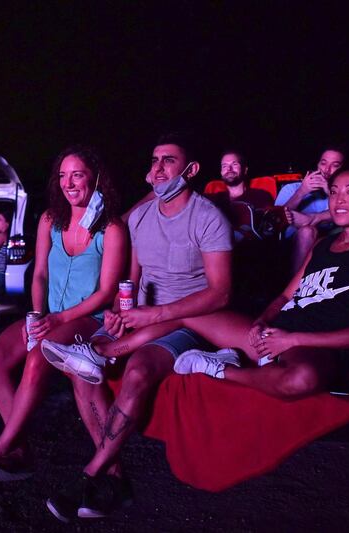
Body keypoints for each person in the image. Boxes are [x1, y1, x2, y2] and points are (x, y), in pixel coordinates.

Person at [63, 168, 349, 403]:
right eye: (335, 191)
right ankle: (101, 353)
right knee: (189, 305)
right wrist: (263, 322)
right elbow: (285, 295)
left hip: (314, 346)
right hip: (274, 334)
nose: (338, 199)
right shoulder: (324, 245)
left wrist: (290, 339)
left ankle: (218, 367)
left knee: (302, 380)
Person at [40, 132, 233, 522]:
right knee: (80, 372)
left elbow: (220, 294)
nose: (157, 167)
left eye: (169, 161)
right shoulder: (142, 218)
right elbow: (129, 285)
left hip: (186, 320)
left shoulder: (209, 217)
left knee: (140, 368)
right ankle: (114, 475)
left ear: (191, 170)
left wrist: (154, 316)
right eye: (154, 159)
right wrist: (116, 312)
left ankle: (91, 475)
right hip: (140, 317)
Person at [0, 145, 127, 490]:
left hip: (86, 318)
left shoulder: (112, 229)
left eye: (77, 174)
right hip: (49, 316)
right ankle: (19, 449)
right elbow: (40, 275)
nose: (68, 182)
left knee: (37, 358)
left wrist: (59, 320)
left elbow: (107, 292)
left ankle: (0, 444)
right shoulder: (50, 218)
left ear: (95, 178)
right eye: (62, 175)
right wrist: (36, 314)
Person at [275, 147, 346, 274]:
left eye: (335, 165)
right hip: (291, 243)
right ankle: (295, 289)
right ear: (317, 165)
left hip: (328, 242)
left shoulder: (342, 195)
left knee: (309, 229)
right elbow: (276, 217)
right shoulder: (291, 188)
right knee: (307, 231)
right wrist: (302, 191)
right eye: (323, 163)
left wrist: (330, 192)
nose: (327, 170)